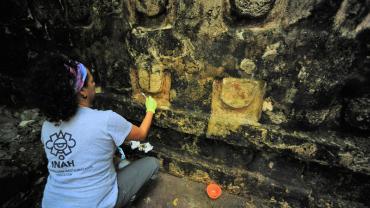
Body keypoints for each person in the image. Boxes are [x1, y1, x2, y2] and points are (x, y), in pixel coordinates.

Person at [30, 53, 159, 208]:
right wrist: (150, 110)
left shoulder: (47, 127)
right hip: (97, 204)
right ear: (83, 92)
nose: (94, 84)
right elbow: (141, 134)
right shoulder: (105, 120)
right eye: (91, 81)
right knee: (152, 163)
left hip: (51, 203)